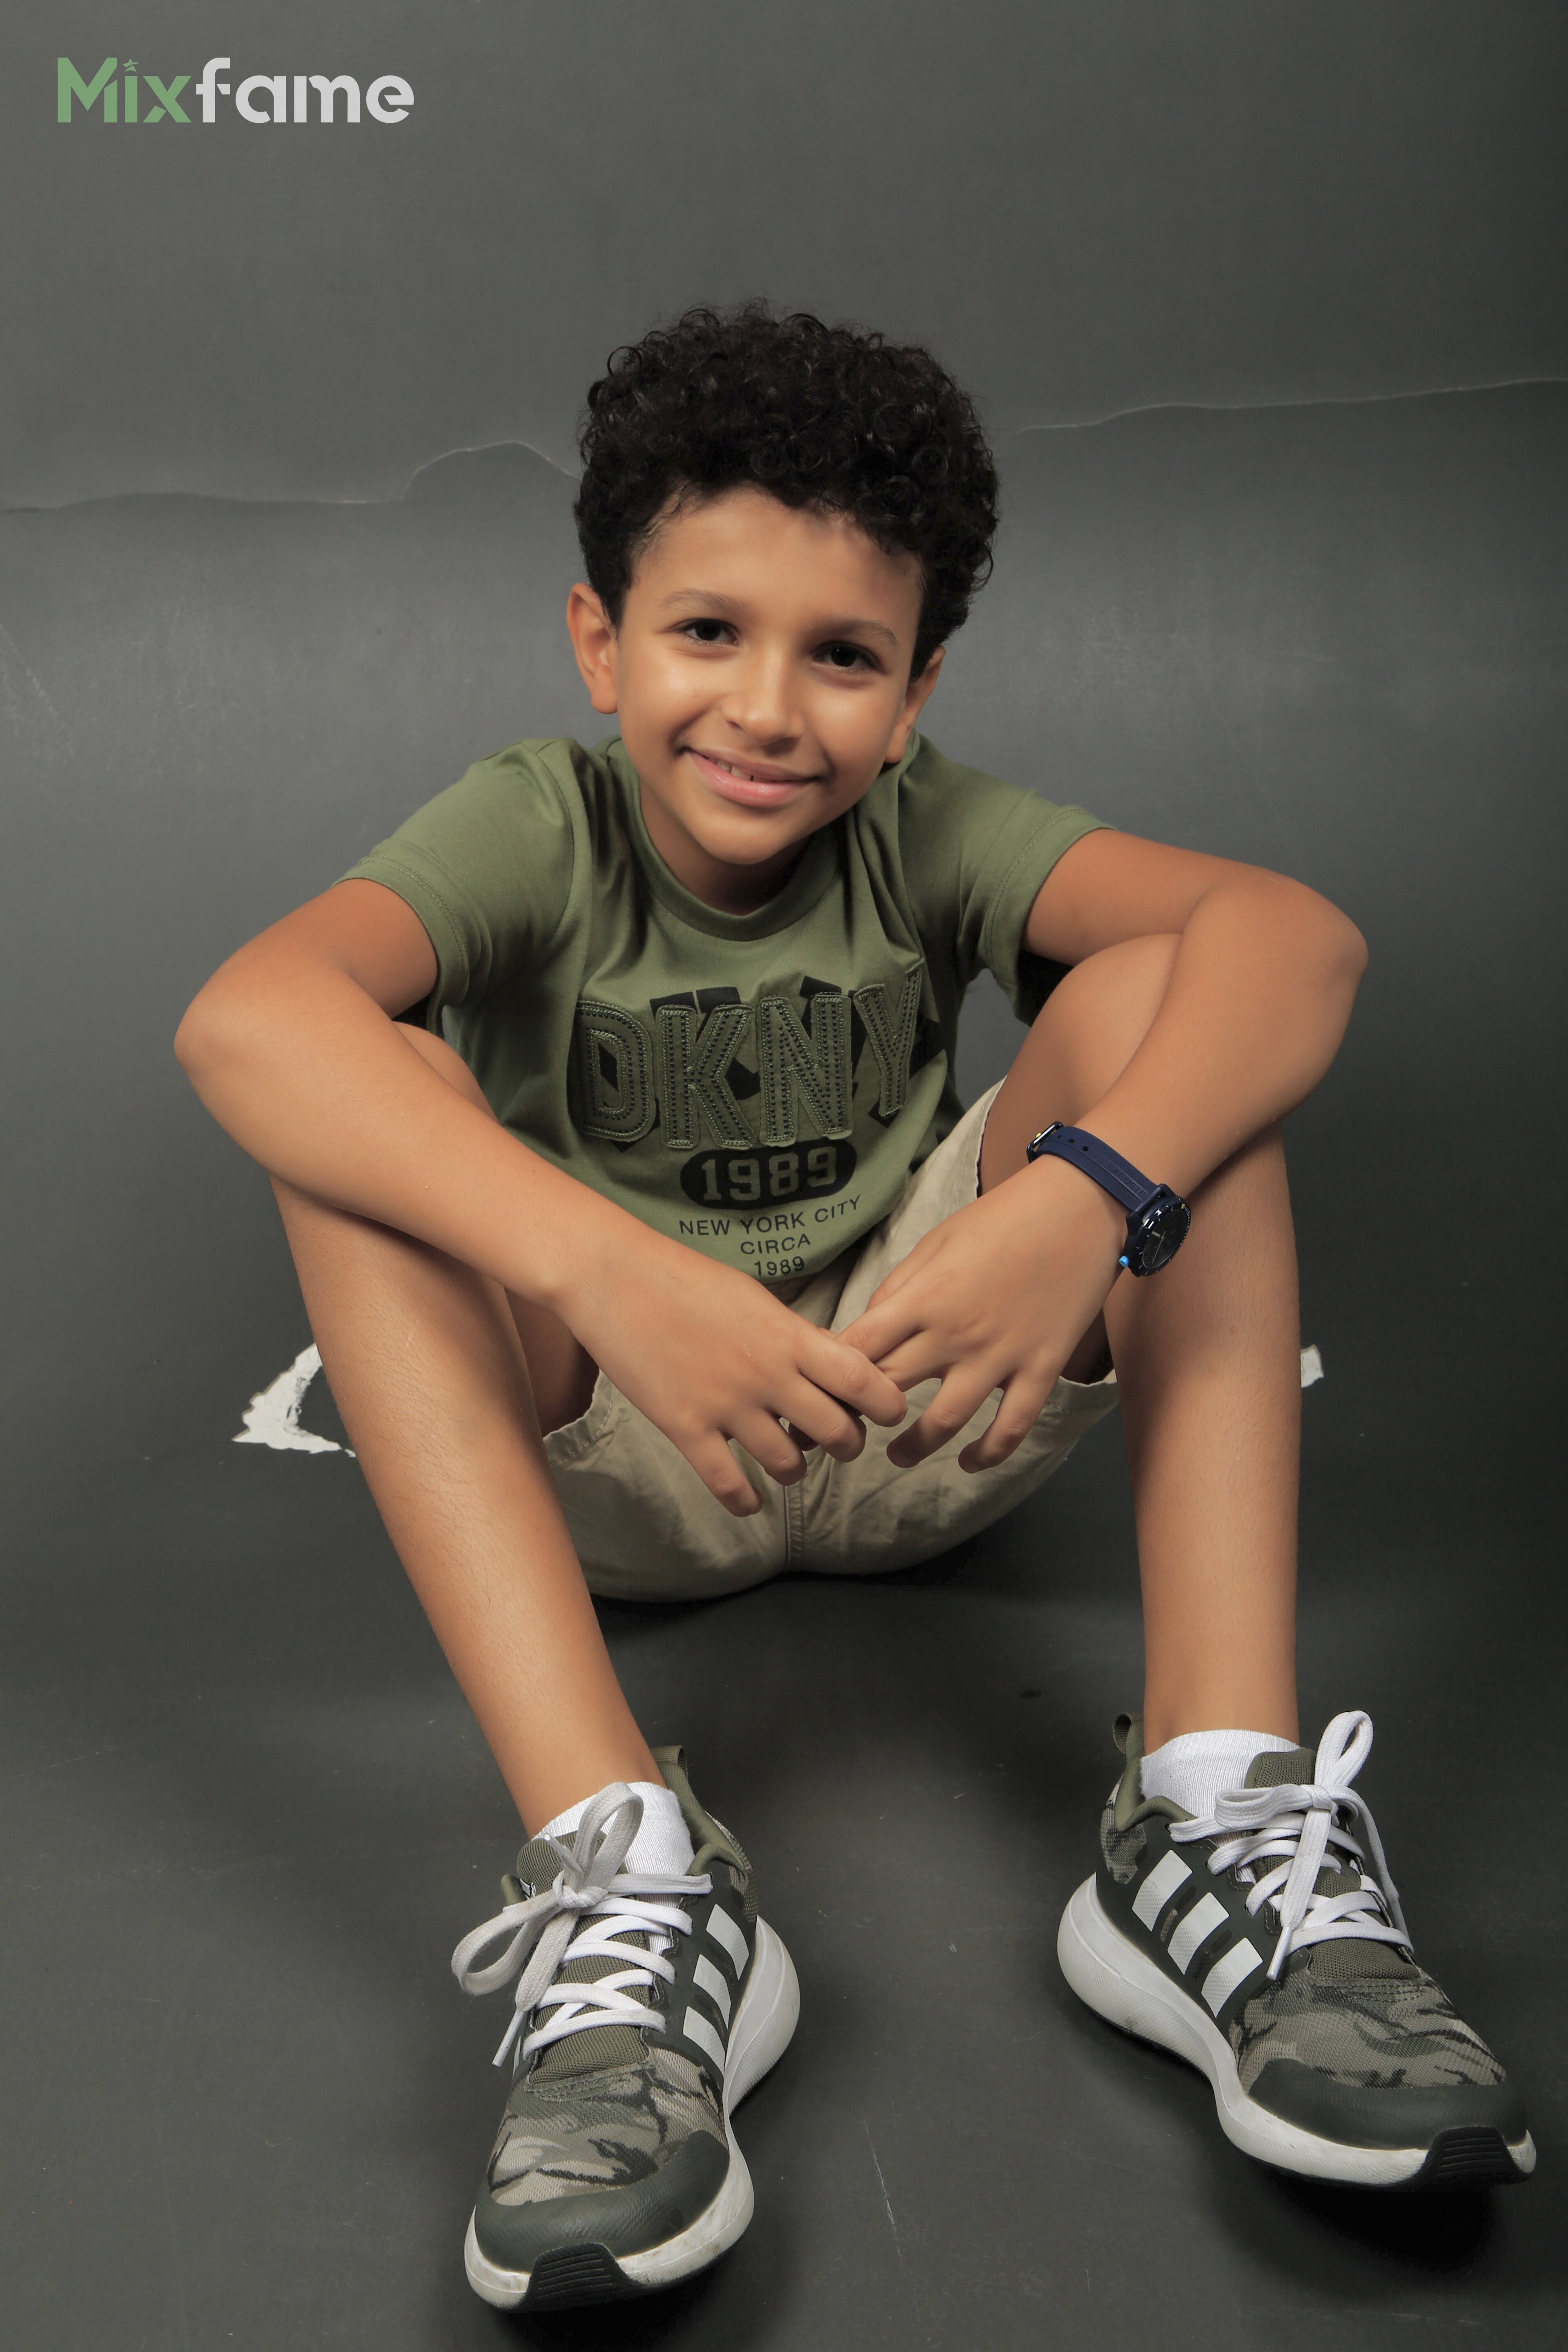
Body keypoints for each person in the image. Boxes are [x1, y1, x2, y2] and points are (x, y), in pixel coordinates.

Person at [175, 303, 1532, 2312]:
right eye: (706, 631)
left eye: (842, 656)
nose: (768, 707)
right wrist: (607, 1269)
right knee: (356, 1100)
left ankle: (1212, 1823)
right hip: (628, 1446)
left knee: (1170, 1011)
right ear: (598, 641)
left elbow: (1294, 937)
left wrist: (1092, 1192)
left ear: (914, 693)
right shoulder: (537, 824)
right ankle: (626, 1883)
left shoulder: (928, 827)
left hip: (915, 1401)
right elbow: (245, 1017)